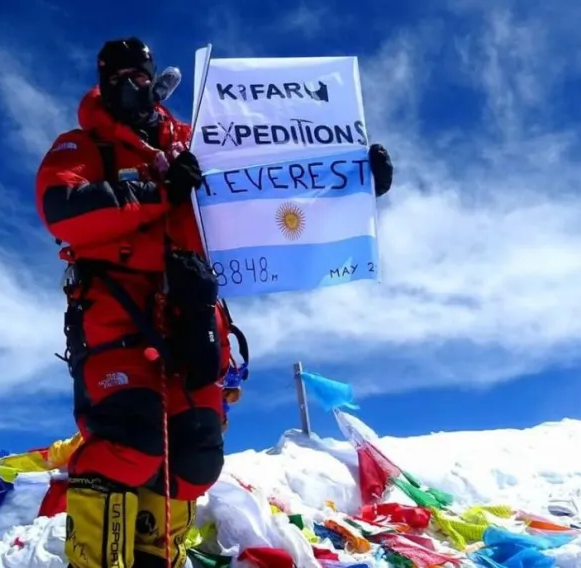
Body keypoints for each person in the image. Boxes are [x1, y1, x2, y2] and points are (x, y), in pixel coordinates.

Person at [34, 37, 394, 568]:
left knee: (196, 458)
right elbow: (63, 209)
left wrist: (351, 181)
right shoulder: (83, 146)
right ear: (105, 82)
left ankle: (158, 557)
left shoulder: (198, 139)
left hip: (198, 315)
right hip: (119, 315)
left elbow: (270, 171)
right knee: (130, 442)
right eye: (121, 77)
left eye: (141, 76)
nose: (134, 86)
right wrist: (156, 187)